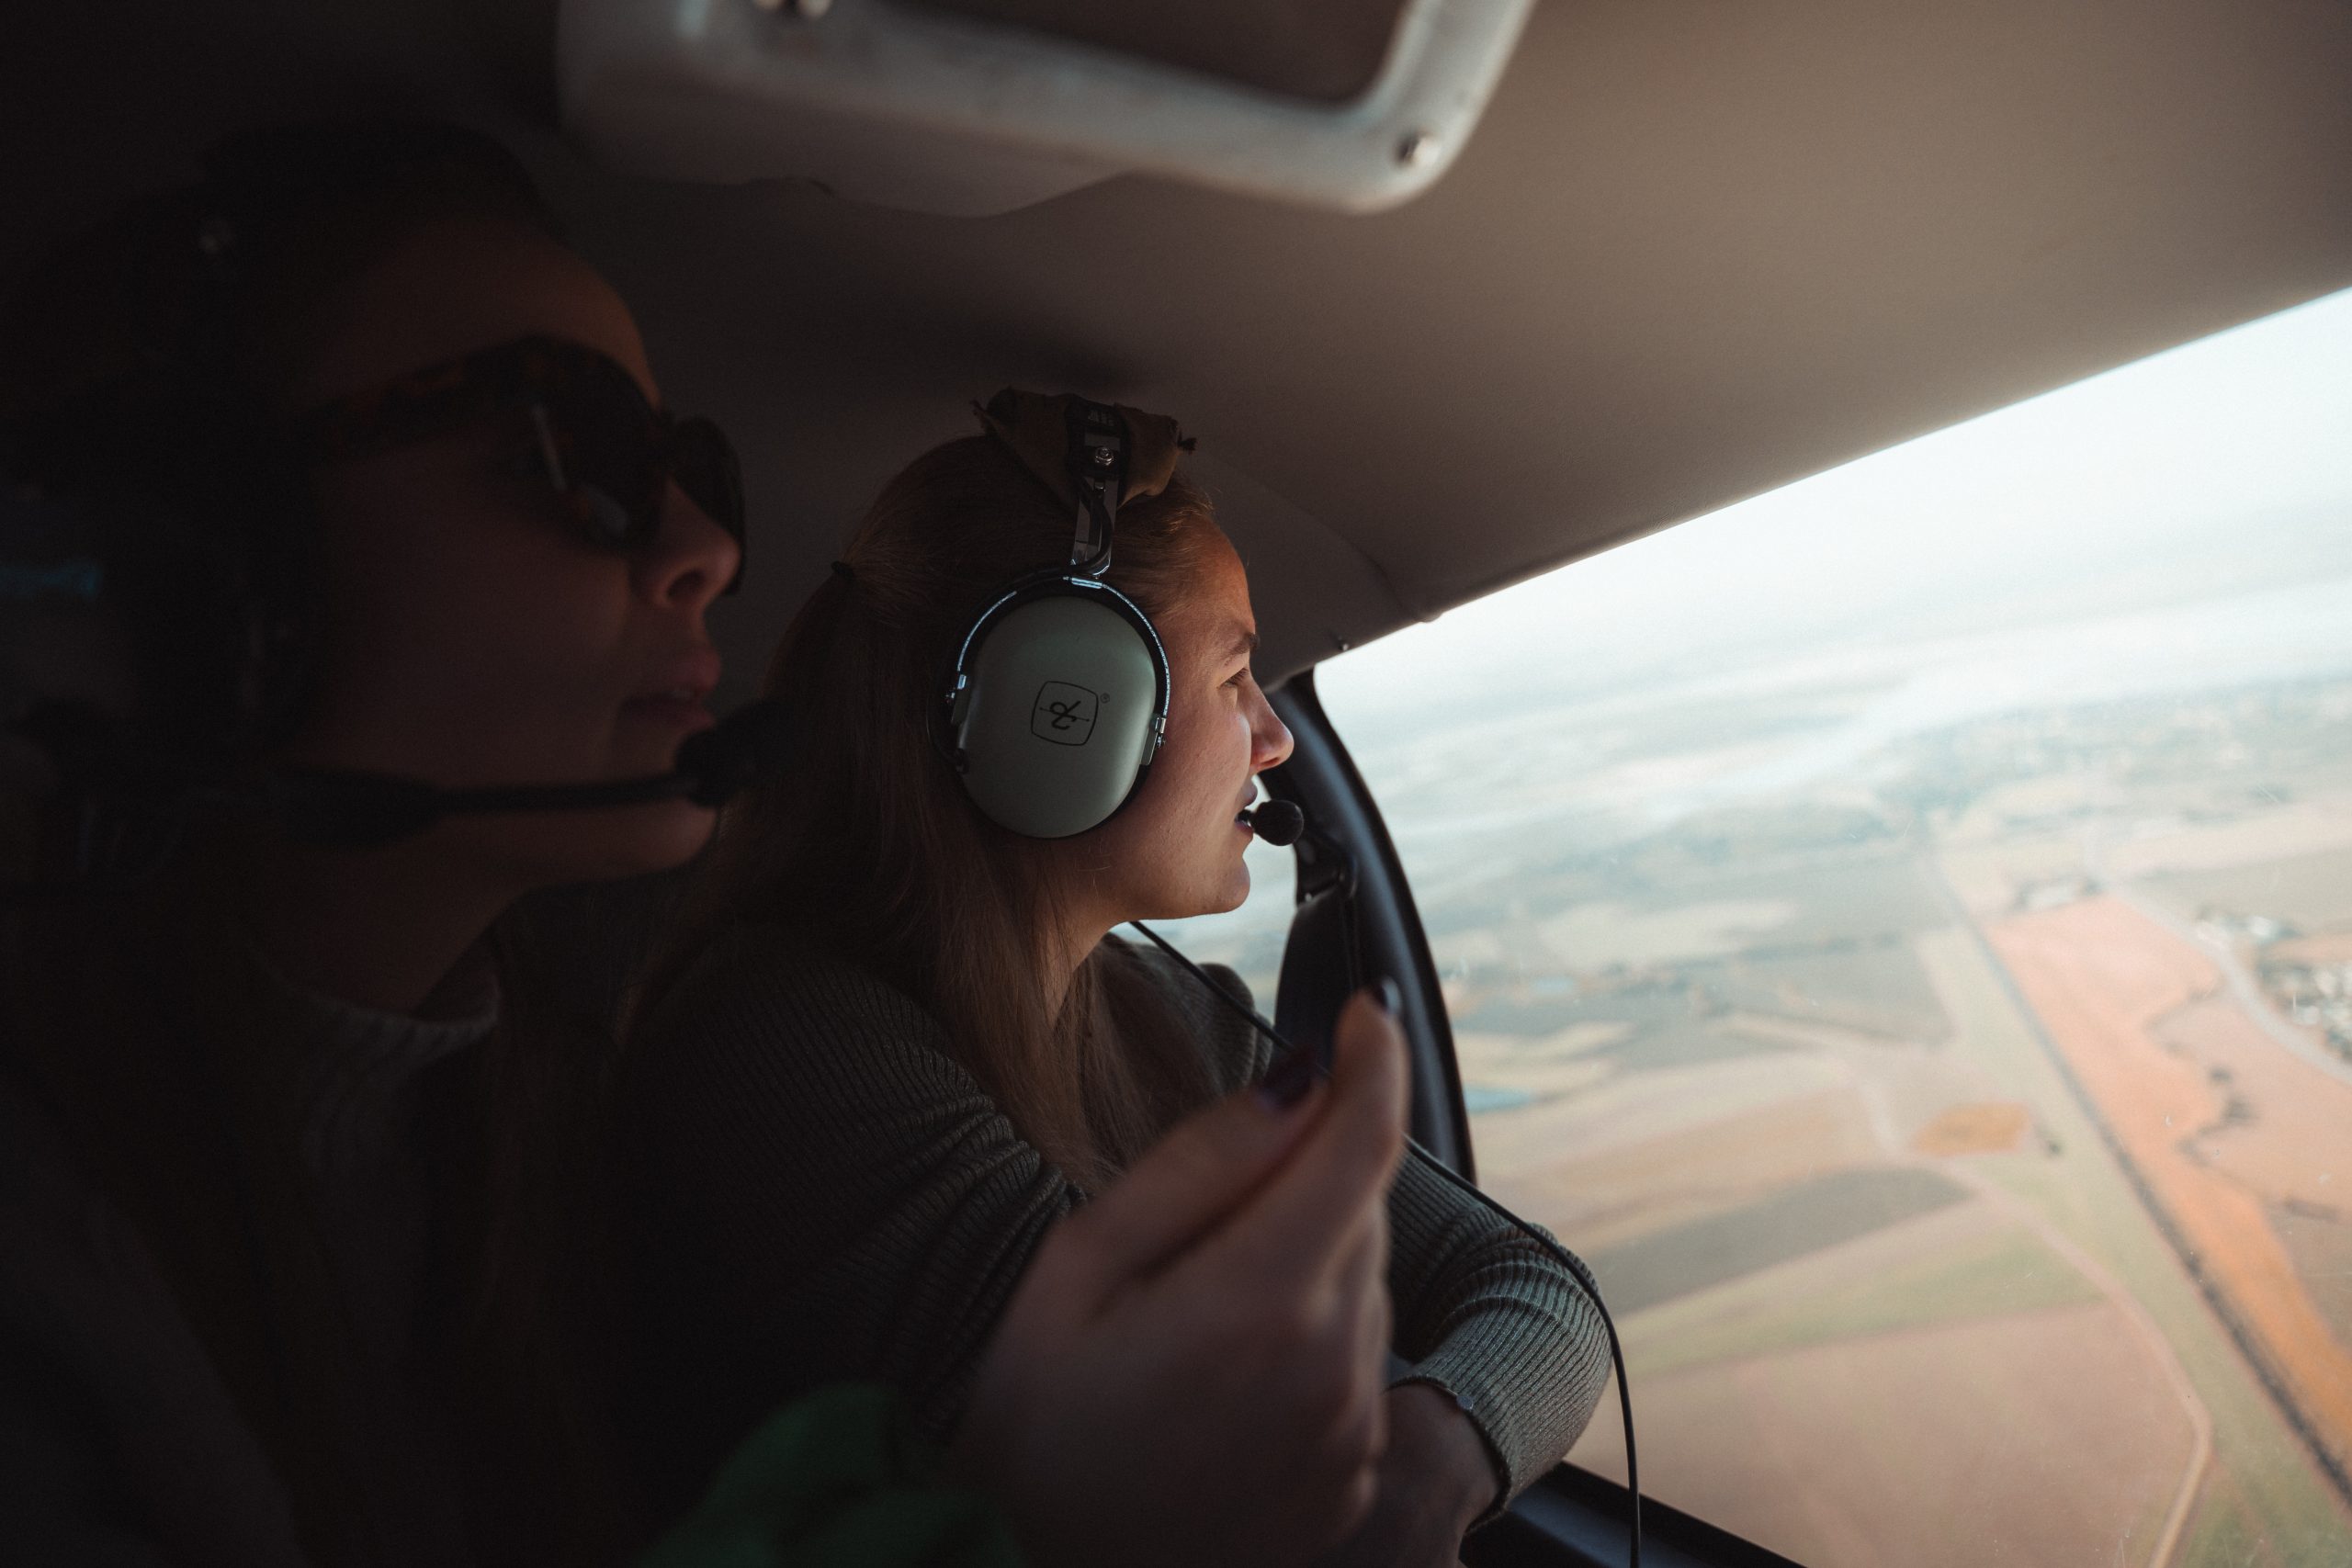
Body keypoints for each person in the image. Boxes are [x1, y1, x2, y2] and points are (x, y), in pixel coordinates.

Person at [0, 119, 1412, 1568]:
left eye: (687, 467)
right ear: (185, 571)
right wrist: (1032, 1519)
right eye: (574, 451)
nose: (708, 548)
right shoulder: (48, 1276)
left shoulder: (507, 1126)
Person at [621, 408, 1615, 1566]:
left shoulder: (1152, 1010)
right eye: (1238, 672)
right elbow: (1197, 1482)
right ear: (1068, 712)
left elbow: (1537, 1288)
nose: (1273, 736)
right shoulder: (789, 1048)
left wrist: (1425, 1465)